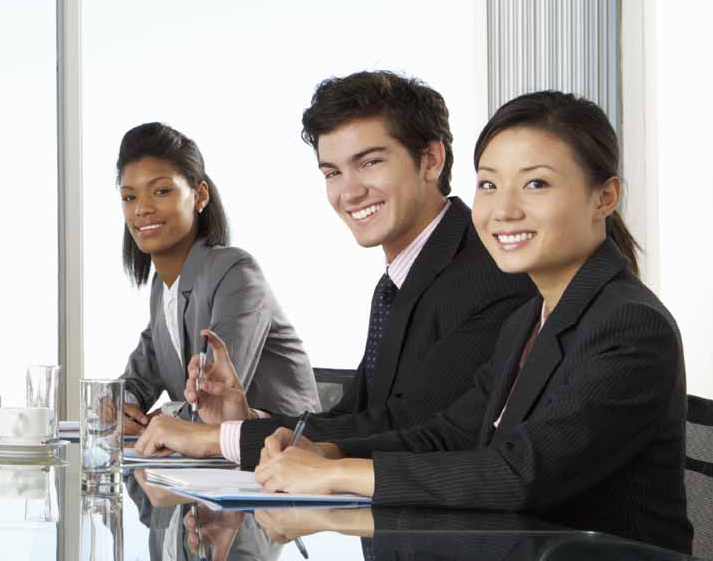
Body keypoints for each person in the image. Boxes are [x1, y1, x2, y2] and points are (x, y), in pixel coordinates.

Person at [251, 91, 691, 554]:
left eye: (536, 184)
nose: (504, 210)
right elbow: (450, 434)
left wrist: (335, 474)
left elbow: (519, 475)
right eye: (489, 184)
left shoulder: (631, 326)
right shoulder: (529, 318)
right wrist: (330, 451)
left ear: (605, 197)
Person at [135, 71, 536, 467]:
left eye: (370, 162)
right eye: (333, 173)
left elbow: (416, 428)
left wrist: (219, 439)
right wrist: (243, 419)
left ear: (431, 160)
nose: (350, 192)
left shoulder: (489, 270)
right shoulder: (404, 276)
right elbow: (356, 417)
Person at [112, 122, 319, 435]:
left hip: (285, 448)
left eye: (161, 191)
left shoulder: (235, 272)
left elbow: (213, 396)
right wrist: (119, 404)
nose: (142, 209)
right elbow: (140, 376)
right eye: (129, 197)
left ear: (199, 195)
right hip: (212, 456)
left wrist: (159, 419)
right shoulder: (163, 288)